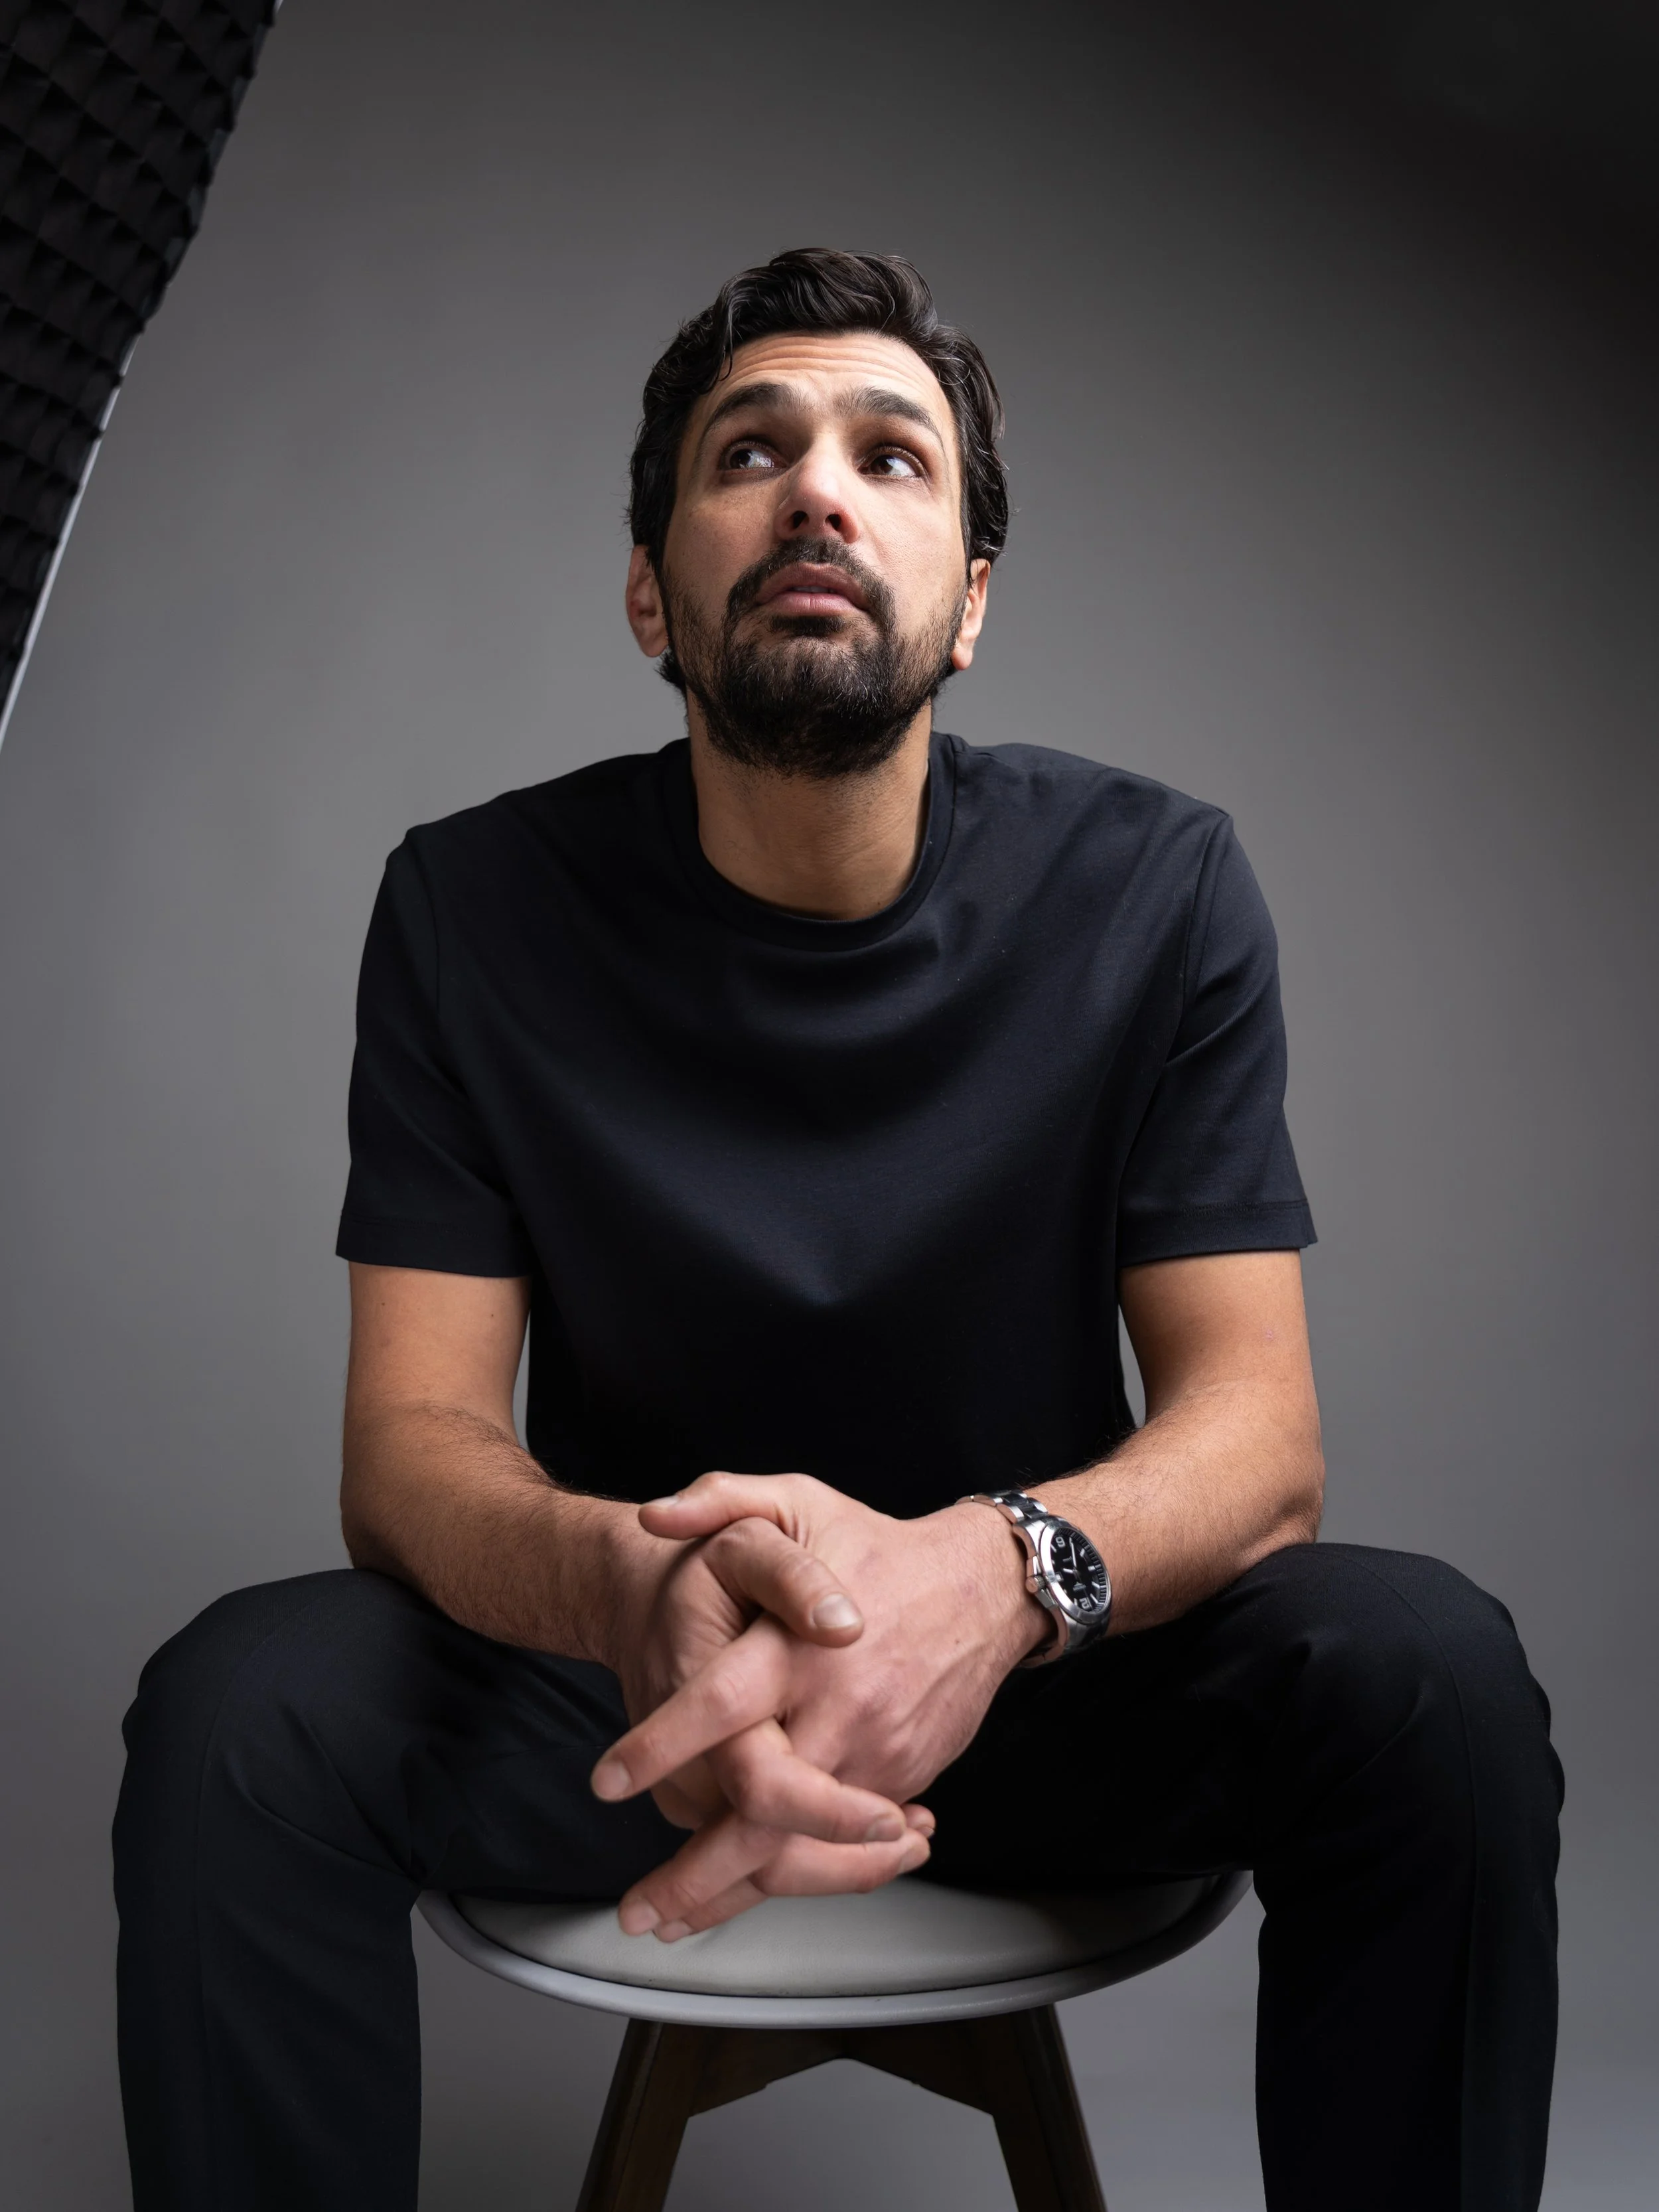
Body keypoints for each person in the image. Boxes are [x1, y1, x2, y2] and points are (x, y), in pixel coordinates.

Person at [113, 248, 1561, 2212]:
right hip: (645, 1681)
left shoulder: (1155, 886)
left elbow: (1254, 1429)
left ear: (966, 604)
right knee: (239, 1716)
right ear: (651, 591)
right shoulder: (470, 908)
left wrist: (997, 1575)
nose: (818, 489)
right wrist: (628, 1593)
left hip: (1043, 1687)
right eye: (750, 450)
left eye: (893, 456)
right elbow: (411, 1450)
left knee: (1428, 1676)